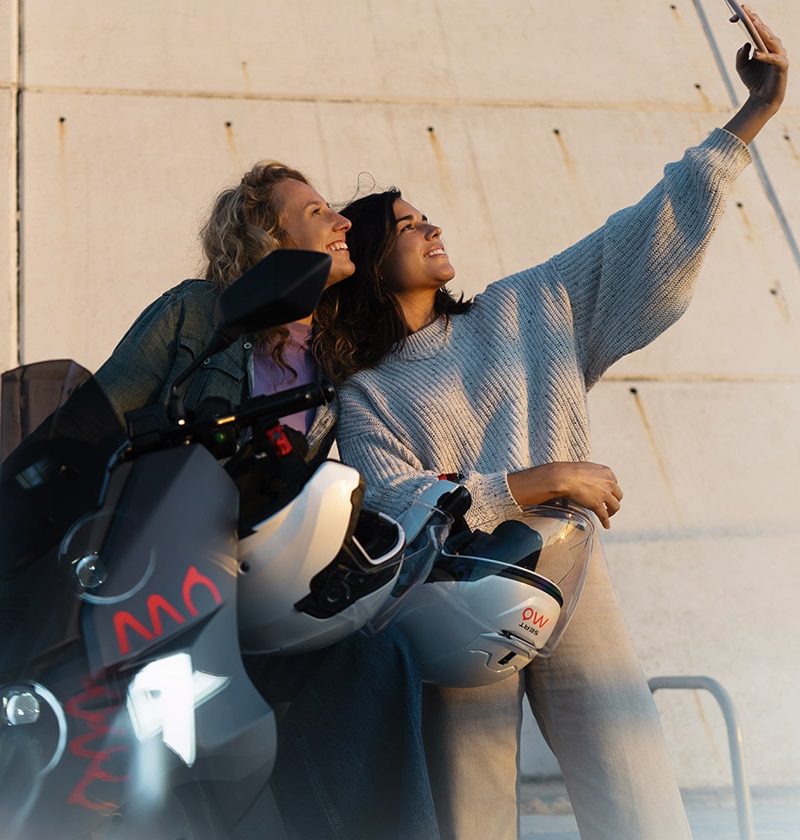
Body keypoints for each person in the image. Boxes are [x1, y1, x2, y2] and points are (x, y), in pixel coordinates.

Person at [316, 10, 788, 840]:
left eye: (427, 215)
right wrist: (540, 480)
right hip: (452, 596)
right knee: (473, 818)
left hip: (572, 574)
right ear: (372, 263)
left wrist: (748, 118)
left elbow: (640, 239)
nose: (431, 226)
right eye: (406, 223)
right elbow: (391, 502)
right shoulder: (364, 392)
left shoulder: (525, 306)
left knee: (637, 800)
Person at [95, 162, 440, 839]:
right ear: (264, 236)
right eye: (317, 213)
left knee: (380, 656)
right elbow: (93, 425)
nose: (341, 220)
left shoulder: (339, 357)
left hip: (260, 590)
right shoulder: (199, 313)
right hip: (164, 585)